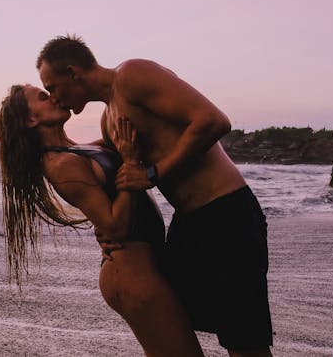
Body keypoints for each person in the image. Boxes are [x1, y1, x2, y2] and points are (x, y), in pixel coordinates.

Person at [37, 35, 273, 357]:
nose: (54, 98)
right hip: (187, 225)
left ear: (73, 72)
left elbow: (214, 120)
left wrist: (154, 173)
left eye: (52, 87)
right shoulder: (110, 121)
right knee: (176, 334)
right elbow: (105, 166)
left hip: (225, 214)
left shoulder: (133, 75)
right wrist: (104, 223)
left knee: (245, 342)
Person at [0, 84, 204, 356]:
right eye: (43, 97)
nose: (55, 98)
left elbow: (119, 147)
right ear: (30, 119)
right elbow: (114, 226)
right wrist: (130, 164)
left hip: (142, 266)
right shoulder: (60, 165)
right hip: (130, 274)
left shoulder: (77, 150)